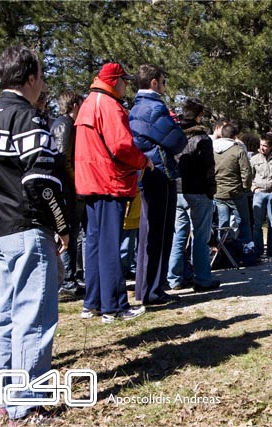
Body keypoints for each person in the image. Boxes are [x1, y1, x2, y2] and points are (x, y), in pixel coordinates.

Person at [0, 45, 69, 422]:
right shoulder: (27, 118)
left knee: (7, 313)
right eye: (41, 76)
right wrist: (62, 224)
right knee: (34, 316)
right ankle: (25, 403)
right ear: (30, 78)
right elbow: (41, 181)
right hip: (27, 227)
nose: (43, 83)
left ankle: (2, 393)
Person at [75, 62, 152, 322]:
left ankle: (93, 302)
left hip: (90, 182)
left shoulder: (88, 103)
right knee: (110, 245)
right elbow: (121, 146)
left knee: (95, 244)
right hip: (109, 182)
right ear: (114, 81)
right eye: (124, 80)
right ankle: (114, 307)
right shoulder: (108, 105)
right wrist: (143, 161)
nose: (126, 85)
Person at [130, 64, 188, 305]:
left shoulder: (136, 107)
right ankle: (153, 290)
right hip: (160, 172)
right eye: (163, 81)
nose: (164, 86)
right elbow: (176, 140)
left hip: (147, 172)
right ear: (153, 82)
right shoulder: (154, 107)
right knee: (160, 233)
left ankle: (144, 288)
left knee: (147, 233)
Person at [167, 97, 220, 292]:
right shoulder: (203, 139)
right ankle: (202, 278)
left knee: (178, 235)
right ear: (199, 115)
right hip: (198, 191)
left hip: (178, 190)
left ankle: (174, 278)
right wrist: (211, 189)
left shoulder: (174, 135)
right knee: (200, 236)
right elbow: (209, 168)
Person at [51, 89, 85, 296]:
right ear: (74, 105)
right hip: (69, 189)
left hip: (68, 187)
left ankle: (71, 276)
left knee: (73, 233)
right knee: (69, 233)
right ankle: (67, 280)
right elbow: (64, 159)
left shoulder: (63, 124)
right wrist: (77, 182)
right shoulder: (65, 125)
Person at [213, 124, 254, 254]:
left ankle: (223, 251)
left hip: (218, 192)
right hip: (236, 192)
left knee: (223, 223)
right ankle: (246, 250)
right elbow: (246, 172)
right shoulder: (238, 150)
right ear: (235, 136)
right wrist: (246, 187)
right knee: (243, 222)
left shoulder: (212, 148)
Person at [250, 132, 272, 258]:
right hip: (259, 193)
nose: (262, 148)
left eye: (265, 146)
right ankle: (258, 250)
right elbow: (249, 176)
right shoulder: (255, 158)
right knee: (257, 225)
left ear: (271, 146)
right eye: (261, 145)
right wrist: (254, 188)